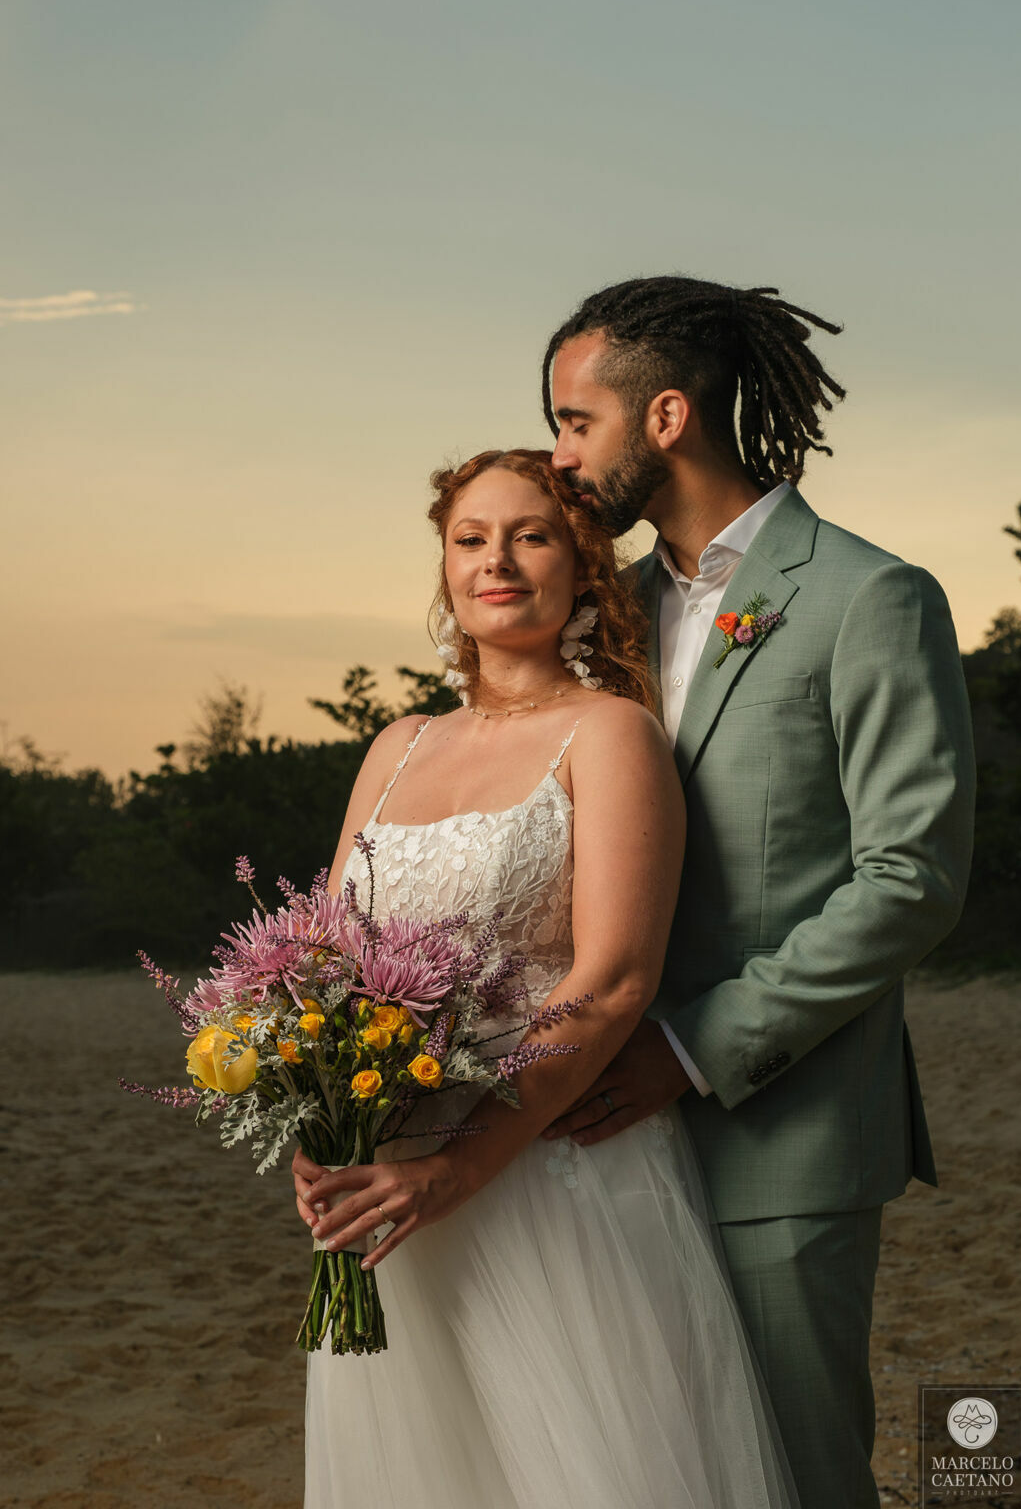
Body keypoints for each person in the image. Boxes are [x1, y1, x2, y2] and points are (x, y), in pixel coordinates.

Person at [540, 275, 977, 1508]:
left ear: (665, 416)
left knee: (797, 1475)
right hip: (597, 1145)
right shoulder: (603, 614)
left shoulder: (870, 598)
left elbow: (911, 881)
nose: (560, 455)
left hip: (780, 1141)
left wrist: (687, 1050)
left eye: (577, 421)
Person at [293, 449, 799, 1509]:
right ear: (444, 567)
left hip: (551, 1172)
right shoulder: (396, 745)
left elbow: (615, 981)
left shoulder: (609, 734)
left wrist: (463, 1164)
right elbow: (321, 964)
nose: (498, 562)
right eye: (470, 539)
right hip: (388, 1186)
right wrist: (316, 1121)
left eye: (530, 536)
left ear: (583, 565)